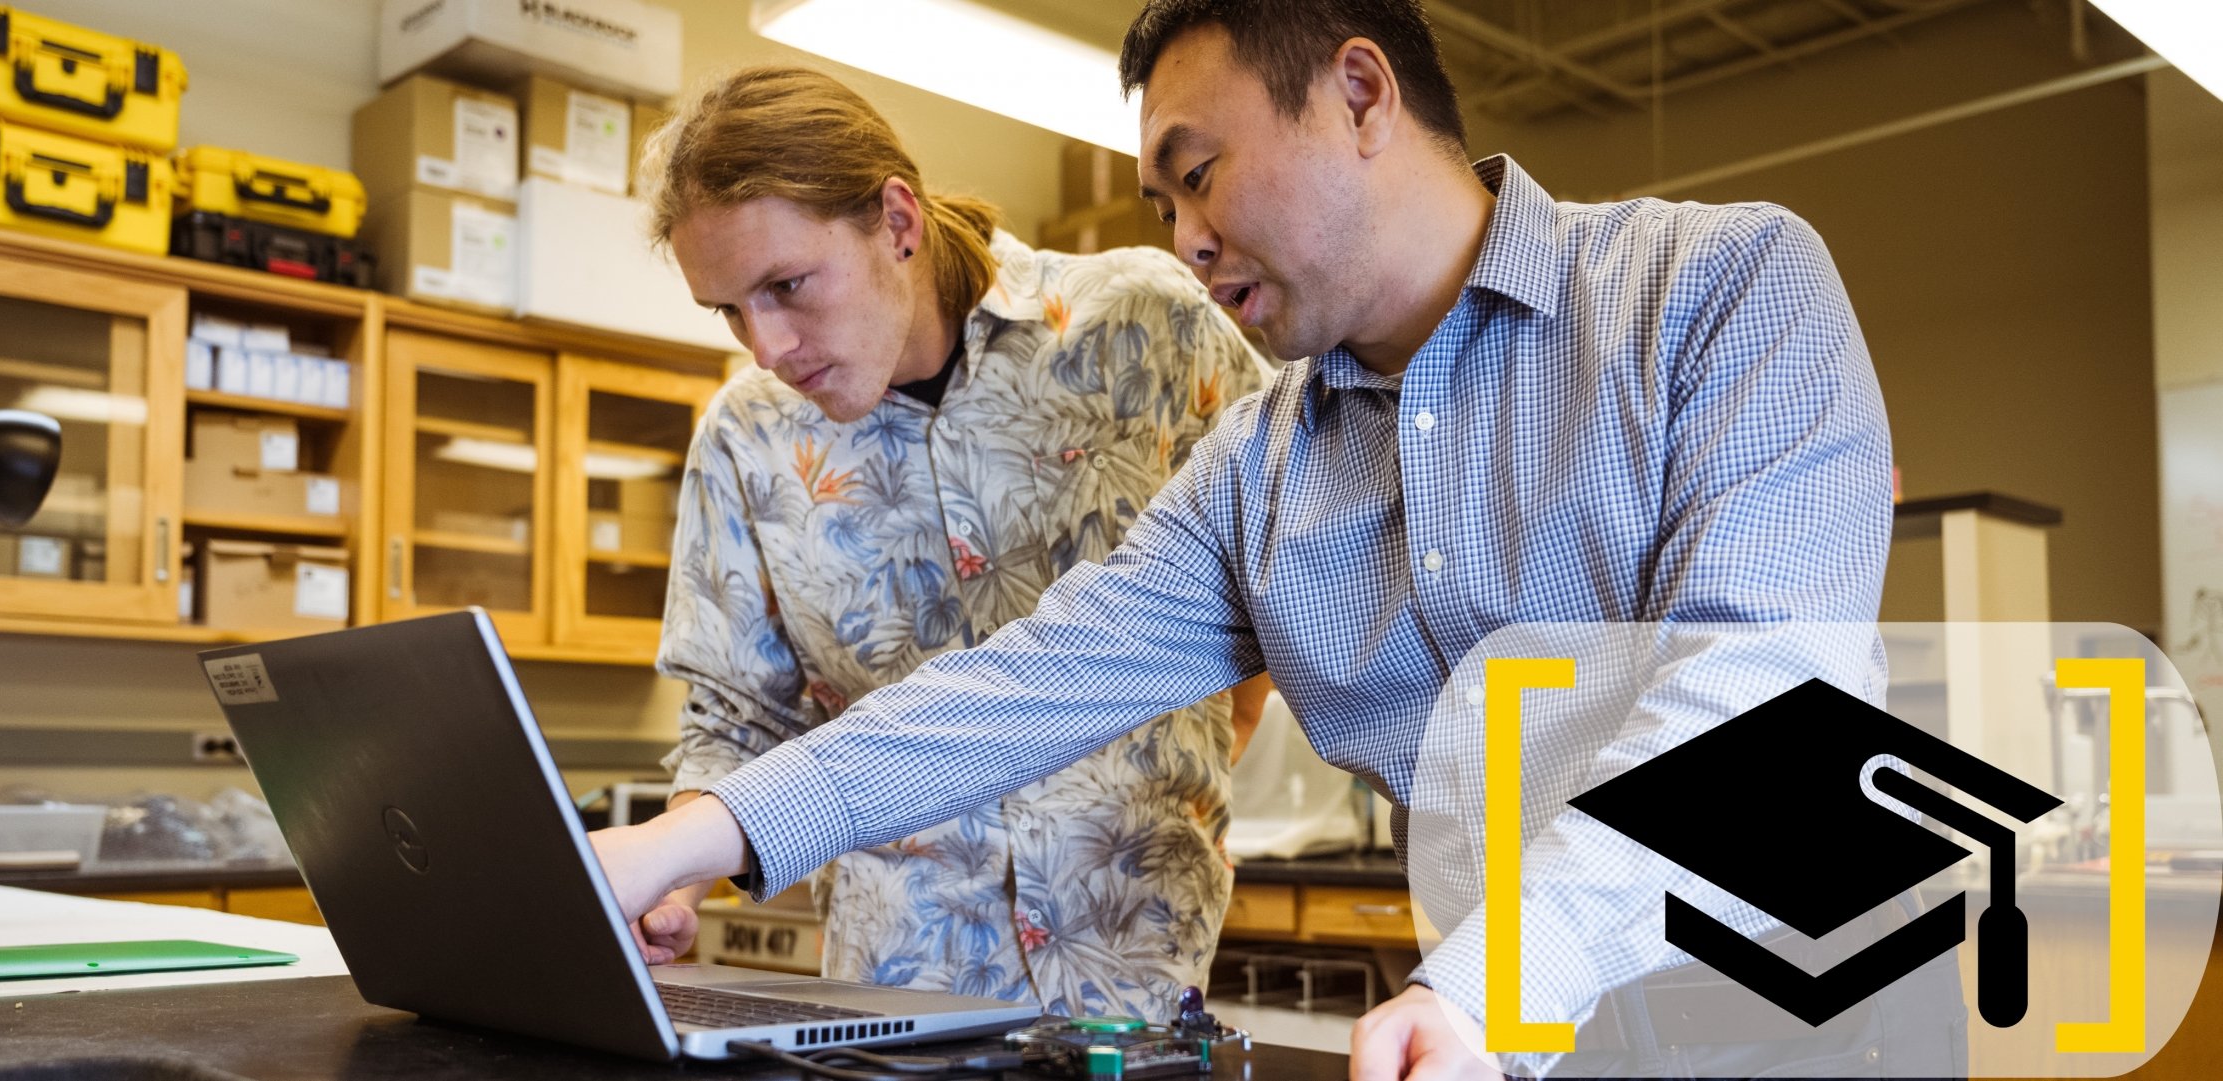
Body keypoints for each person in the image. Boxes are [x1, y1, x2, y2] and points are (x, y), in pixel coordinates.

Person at [591, 2, 1964, 1078]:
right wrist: (684, 839)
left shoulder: (1721, 292)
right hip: (1504, 1022)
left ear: (1360, 94)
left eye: (1201, 176)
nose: (1186, 239)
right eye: (1161, 208)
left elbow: (1757, 710)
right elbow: (1017, 690)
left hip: (1794, 1003)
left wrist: (1493, 979)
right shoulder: (1257, 471)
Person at [626, 66, 1275, 1022]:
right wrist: (672, 874)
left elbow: (1286, 565)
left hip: (1137, 971)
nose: (765, 346)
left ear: (897, 220)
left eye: (786, 285)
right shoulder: (746, 439)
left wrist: (1197, 757)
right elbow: (734, 722)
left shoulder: (1146, 328)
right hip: (891, 987)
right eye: (728, 310)